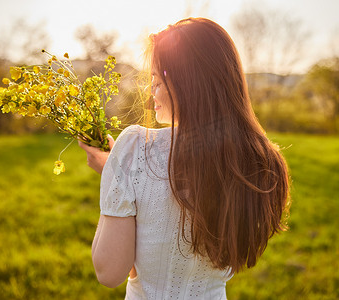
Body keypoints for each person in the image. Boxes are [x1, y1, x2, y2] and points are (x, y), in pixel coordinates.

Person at [79, 17, 290, 299]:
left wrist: (114, 175)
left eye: (155, 79)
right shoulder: (263, 161)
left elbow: (109, 272)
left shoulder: (134, 146)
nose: (149, 89)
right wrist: (119, 172)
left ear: (184, 81)